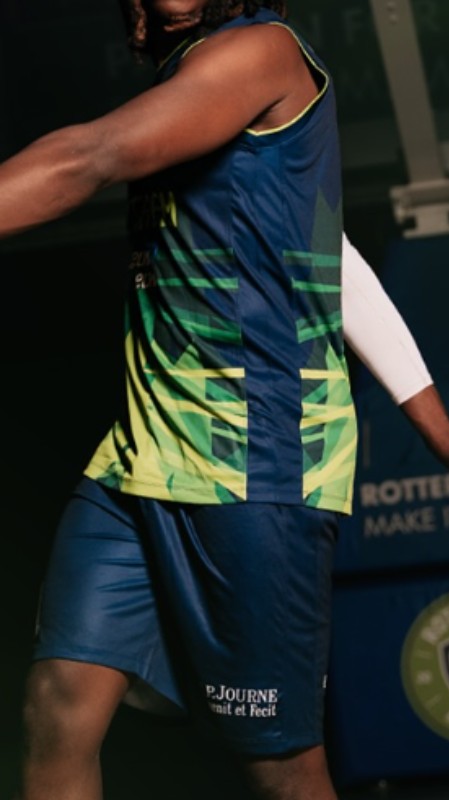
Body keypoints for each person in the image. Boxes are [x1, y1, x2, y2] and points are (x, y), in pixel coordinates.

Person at [2, 1, 449, 799]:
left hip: (254, 462)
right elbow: (331, 259)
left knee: (282, 773)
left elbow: (87, 156)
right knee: (57, 704)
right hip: (140, 460)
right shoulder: (187, 80)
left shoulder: (262, 50)